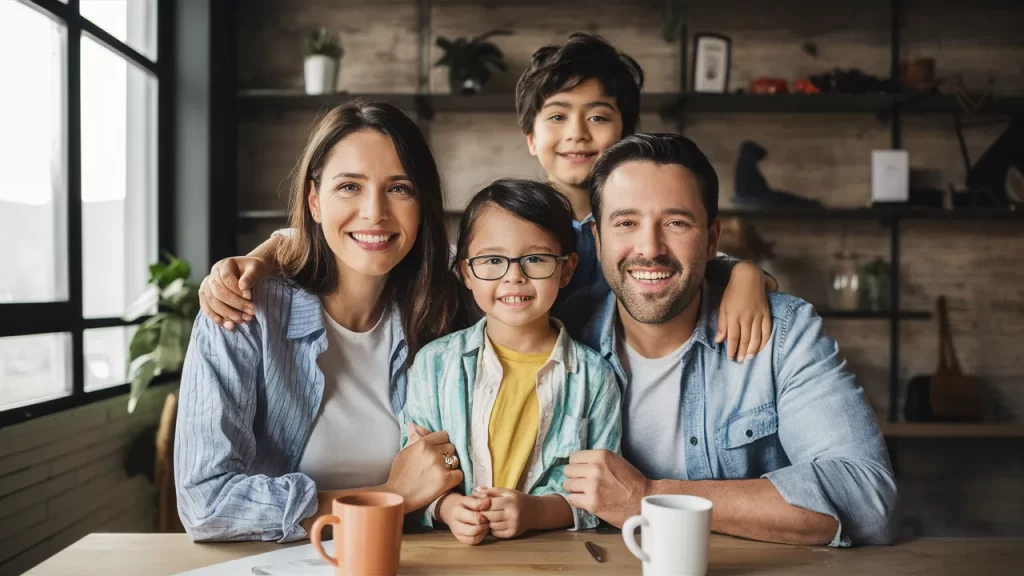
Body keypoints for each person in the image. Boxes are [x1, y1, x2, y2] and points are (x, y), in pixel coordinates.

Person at [196, 33, 776, 362]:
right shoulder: (516, 226)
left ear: (626, 135)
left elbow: (680, 262)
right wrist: (266, 253)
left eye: (598, 117)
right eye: (557, 117)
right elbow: (363, 240)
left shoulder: (636, 237)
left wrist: (748, 274)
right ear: (531, 138)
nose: (576, 133)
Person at [560, 133, 898, 547]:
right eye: (626, 222)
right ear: (596, 238)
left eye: (676, 223)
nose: (650, 248)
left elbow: (866, 499)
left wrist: (650, 498)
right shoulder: (560, 334)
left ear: (712, 239)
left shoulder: (784, 332)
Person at [174, 101, 468, 542]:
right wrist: (390, 496)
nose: (375, 212)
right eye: (349, 186)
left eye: (400, 189)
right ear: (314, 200)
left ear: (423, 206)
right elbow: (206, 504)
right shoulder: (242, 311)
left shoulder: (444, 310)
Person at [401, 179, 621, 546]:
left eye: (536, 258)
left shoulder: (595, 378)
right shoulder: (434, 366)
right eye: (492, 260)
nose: (514, 276)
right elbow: (411, 469)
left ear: (566, 269)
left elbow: (605, 496)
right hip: (451, 557)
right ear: (467, 272)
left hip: (555, 559)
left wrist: (536, 512)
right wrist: (447, 508)